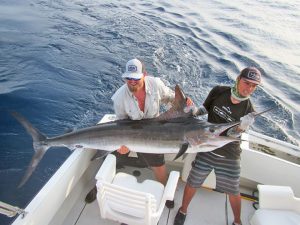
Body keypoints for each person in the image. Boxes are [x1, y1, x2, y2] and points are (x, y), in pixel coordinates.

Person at [85, 58, 192, 208]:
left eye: (135, 78)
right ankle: (98, 187)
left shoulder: (156, 84)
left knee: (160, 168)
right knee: (112, 159)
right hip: (129, 133)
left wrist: (185, 102)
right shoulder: (119, 97)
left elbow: (172, 98)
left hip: (154, 133)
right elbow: (121, 124)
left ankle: (166, 195)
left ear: (144, 74)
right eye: (128, 78)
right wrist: (122, 146)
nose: (132, 81)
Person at [173, 67, 262, 225]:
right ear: (238, 79)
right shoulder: (219, 91)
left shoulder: (249, 111)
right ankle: (183, 210)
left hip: (229, 155)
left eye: (254, 86)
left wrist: (241, 128)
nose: (249, 88)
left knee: (234, 191)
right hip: (207, 146)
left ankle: (237, 221)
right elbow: (203, 109)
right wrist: (193, 111)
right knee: (193, 182)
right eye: (246, 82)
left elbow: (231, 135)